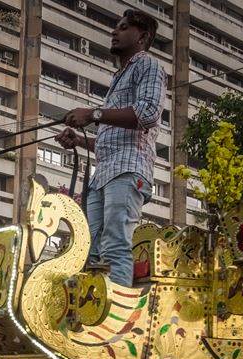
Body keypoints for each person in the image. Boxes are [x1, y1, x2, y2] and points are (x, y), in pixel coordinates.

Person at [55, 9, 165, 287]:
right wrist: (80, 141)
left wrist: (93, 114)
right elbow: (110, 141)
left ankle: (116, 316)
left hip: (128, 170)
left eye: (124, 27)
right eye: (116, 27)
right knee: (89, 251)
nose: (114, 32)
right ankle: (91, 310)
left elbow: (148, 113)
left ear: (142, 36)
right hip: (104, 174)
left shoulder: (148, 66)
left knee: (115, 244)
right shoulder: (118, 78)